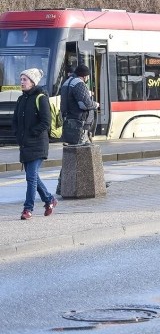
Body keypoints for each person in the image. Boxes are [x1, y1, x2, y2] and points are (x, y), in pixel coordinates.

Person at [14, 68, 57, 220]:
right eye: (21, 79)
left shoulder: (41, 98)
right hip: (25, 145)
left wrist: (32, 132)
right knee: (33, 177)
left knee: (31, 178)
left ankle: (28, 209)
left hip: (38, 144)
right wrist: (18, 134)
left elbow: (46, 122)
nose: (22, 82)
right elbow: (16, 121)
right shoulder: (21, 99)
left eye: (24, 79)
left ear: (32, 82)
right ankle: (49, 199)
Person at [59, 64, 99, 145]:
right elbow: (84, 105)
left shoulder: (66, 82)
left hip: (68, 120)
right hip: (79, 121)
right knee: (82, 148)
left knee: (72, 147)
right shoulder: (79, 83)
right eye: (88, 76)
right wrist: (96, 104)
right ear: (85, 76)